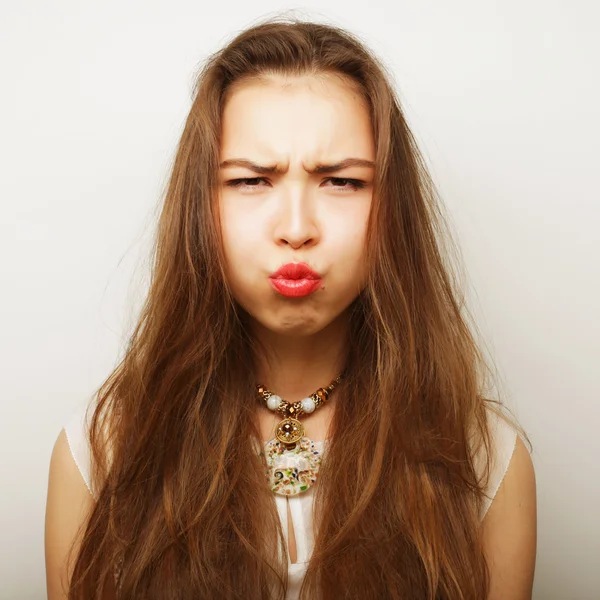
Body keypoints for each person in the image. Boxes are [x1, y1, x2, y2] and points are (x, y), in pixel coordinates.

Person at [44, 15, 537, 600]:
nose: (297, 229)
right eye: (252, 181)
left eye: (342, 182)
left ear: (393, 209)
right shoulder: (103, 452)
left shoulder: (484, 457)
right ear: (199, 208)